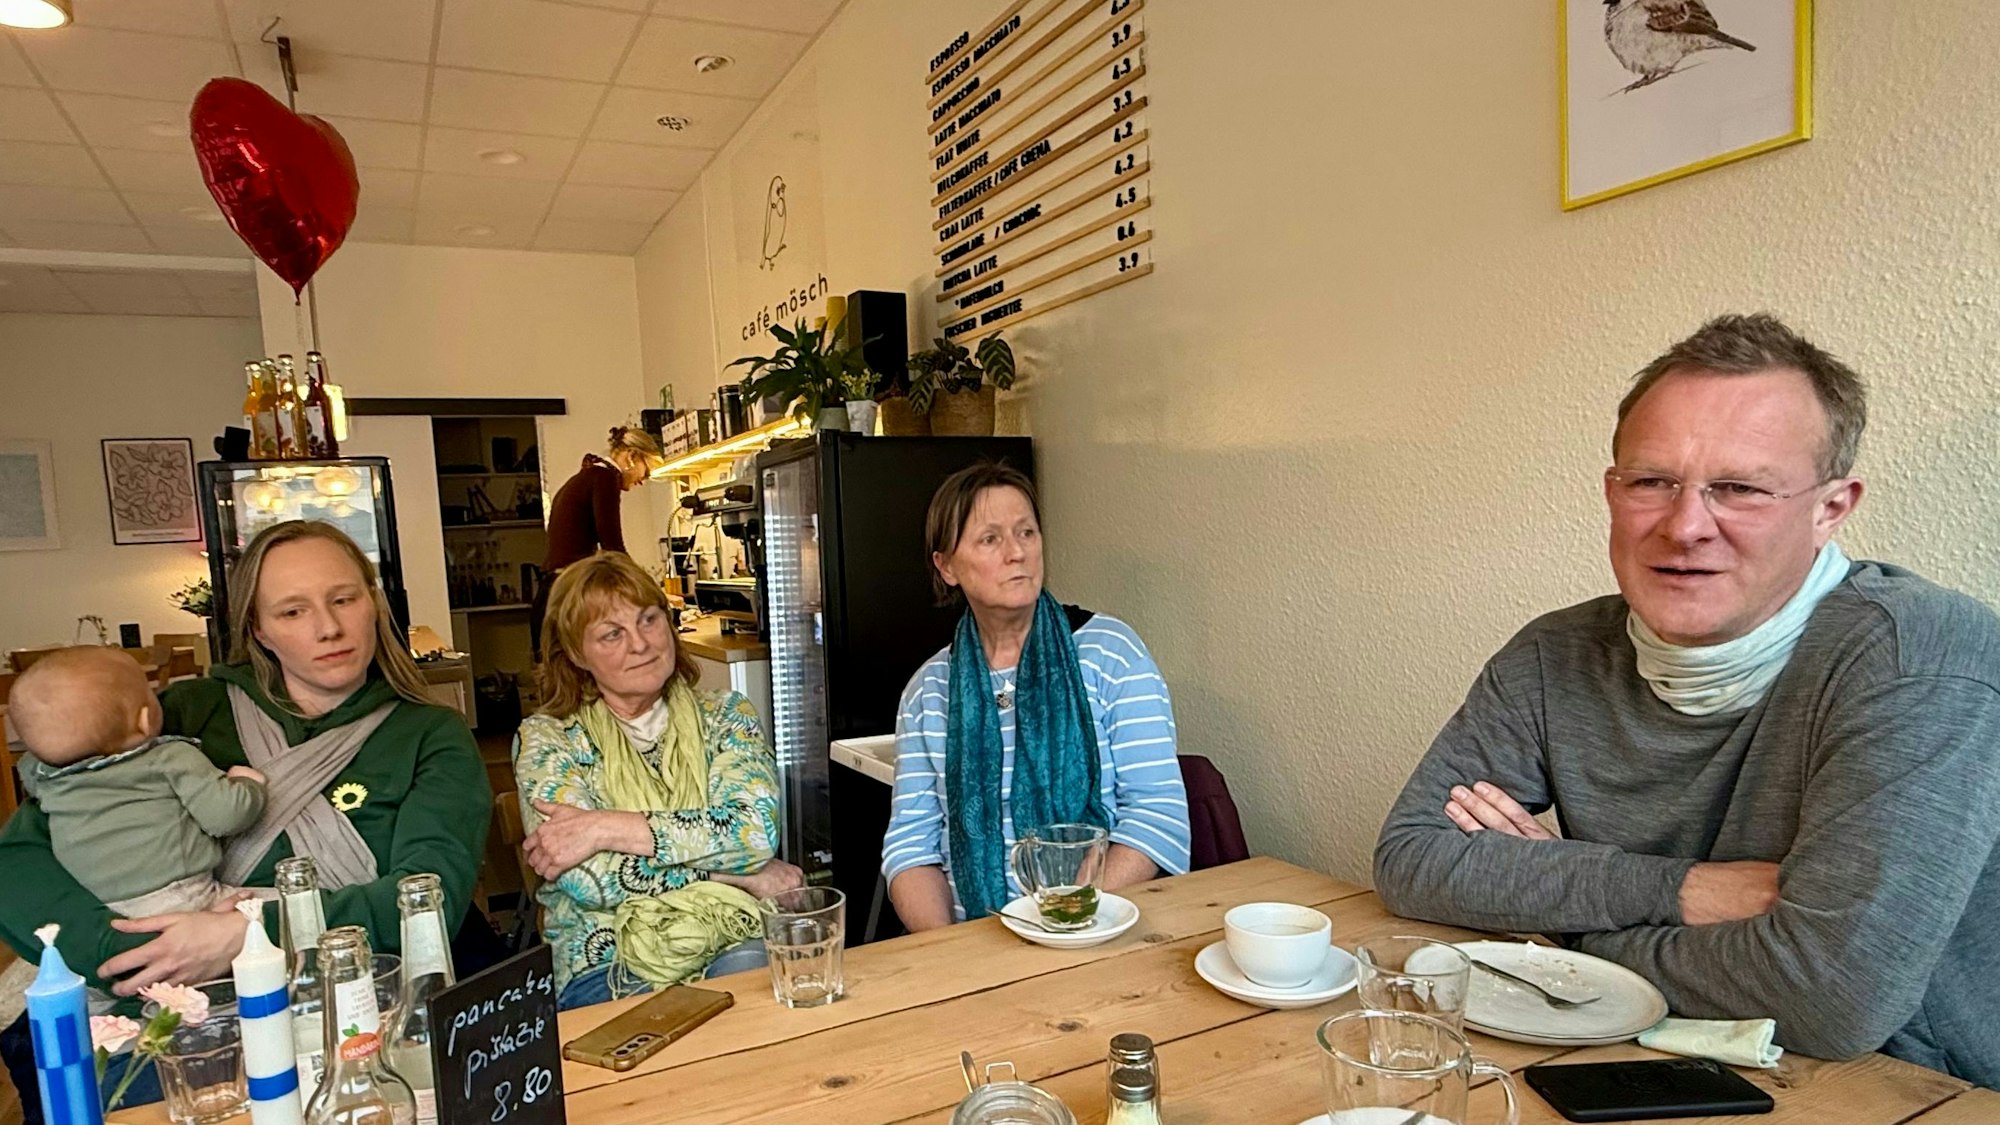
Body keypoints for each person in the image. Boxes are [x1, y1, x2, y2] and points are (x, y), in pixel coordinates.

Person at [1373, 314, 2000, 1085]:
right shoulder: (1554, 653)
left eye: (1740, 488)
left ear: (1831, 507)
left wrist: (1560, 932)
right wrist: (1680, 889)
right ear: (1611, 491)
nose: (1685, 525)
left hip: (1917, 1087)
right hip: (1636, 1061)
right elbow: (1411, 858)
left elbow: (1831, 996)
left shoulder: (1922, 656)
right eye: (1651, 482)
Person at [0, 520, 491, 1111]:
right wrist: (136, 953)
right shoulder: (180, 714)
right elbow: (19, 864)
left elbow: (427, 899)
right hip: (169, 1013)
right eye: (293, 611)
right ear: (257, 629)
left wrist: (247, 936)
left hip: (350, 1010)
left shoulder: (430, 735)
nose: (328, 628)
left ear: (373, 603)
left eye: (343, 599)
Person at [883, 464, 1192, 931]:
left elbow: (1157, 814)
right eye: (990, 539)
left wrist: (1070, 913)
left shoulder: (1110, 653)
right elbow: (911, 847)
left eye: (1026, 532)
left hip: (1098, 925)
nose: (1017, 552)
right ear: (946, 566)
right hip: (974, 937)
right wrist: (949, 950)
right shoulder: (929, 691)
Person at [512, 550, 802, 1009]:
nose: (641, 644)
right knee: (723, 1015)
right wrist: (739, 876)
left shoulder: (727, 715)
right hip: (608, 963)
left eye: (649, 619)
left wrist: (604, 827)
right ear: (577, 654)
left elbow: (753, 834)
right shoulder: (548, 739)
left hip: (732, 937)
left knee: (752, 987)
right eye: (612, 634)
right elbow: (589, 878)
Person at [11, 646, 268, 1004]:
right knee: (273, 910)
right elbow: (227, 816)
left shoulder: (41, 777)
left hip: (103, 909)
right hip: (183, 896)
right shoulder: (169, 758)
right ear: (145, 719)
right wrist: (248, 784)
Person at [533, 425, 664, 657]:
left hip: (553, 591)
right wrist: (651, 593)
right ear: (632, 456)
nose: (643, 481)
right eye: (646, 472)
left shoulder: (590, 475)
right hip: (567, 594)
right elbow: (614, 548)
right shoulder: (605, 478)